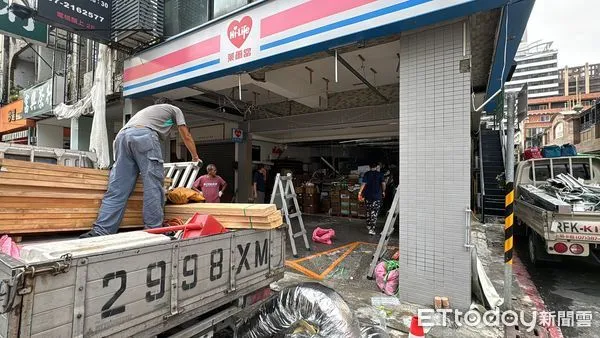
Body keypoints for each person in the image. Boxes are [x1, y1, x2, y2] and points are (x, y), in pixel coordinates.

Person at [80, 98, 201, 238]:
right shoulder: (174, 109)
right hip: (144, 136)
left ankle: (101, 231)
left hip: (121, 137)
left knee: (118, 188)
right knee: (153, 185)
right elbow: (186, 135)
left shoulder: (146, 113)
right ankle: (154, 230)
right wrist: (195, 157)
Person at [359, 163, 386, 235]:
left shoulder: (366, 174)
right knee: (374, 212)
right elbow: (383, 184)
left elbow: (363, 184)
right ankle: (372, 229)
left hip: (367, 196)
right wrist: (383, 191)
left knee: (368, 210)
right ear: (377, 166)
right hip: (377, 196)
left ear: (369, 166)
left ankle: (368, 225)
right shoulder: (380, 174)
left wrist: (360, 192)